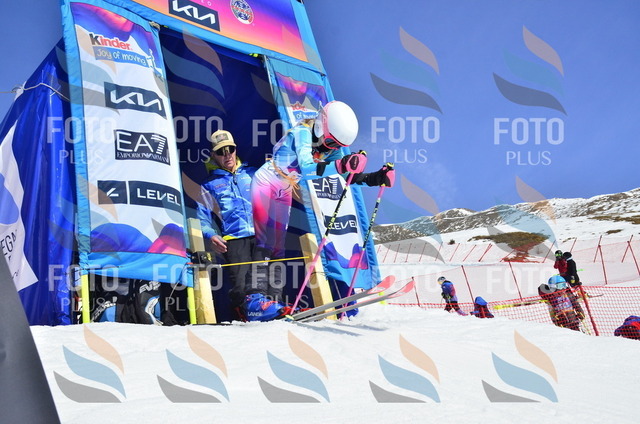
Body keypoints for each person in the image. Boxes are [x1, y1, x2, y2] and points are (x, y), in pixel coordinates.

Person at [248, 101, 393, 319]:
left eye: (338, 146)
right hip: (267, 181)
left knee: (278, 247)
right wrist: (342, 164)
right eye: (331, 142)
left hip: (285, 188)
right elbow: (307, 168)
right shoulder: (302, 133)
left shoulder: (329, 146)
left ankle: (273, 301)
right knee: (265, 241)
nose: (331, 148)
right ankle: (255, 300)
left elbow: (345, 175)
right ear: (320, 126)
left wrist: (374, 178)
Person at [197, 130, 285, 321]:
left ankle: (276, 313)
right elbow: (202, 218)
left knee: (272, 279)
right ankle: (245, 320)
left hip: (263, 235)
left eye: (230, 149)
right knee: (242, 287)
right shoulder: (209, 184)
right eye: (221, 152)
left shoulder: (254, 173)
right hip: (235, 239)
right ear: (213, 155)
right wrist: (211, 235)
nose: (227, 154)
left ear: (236, 149)